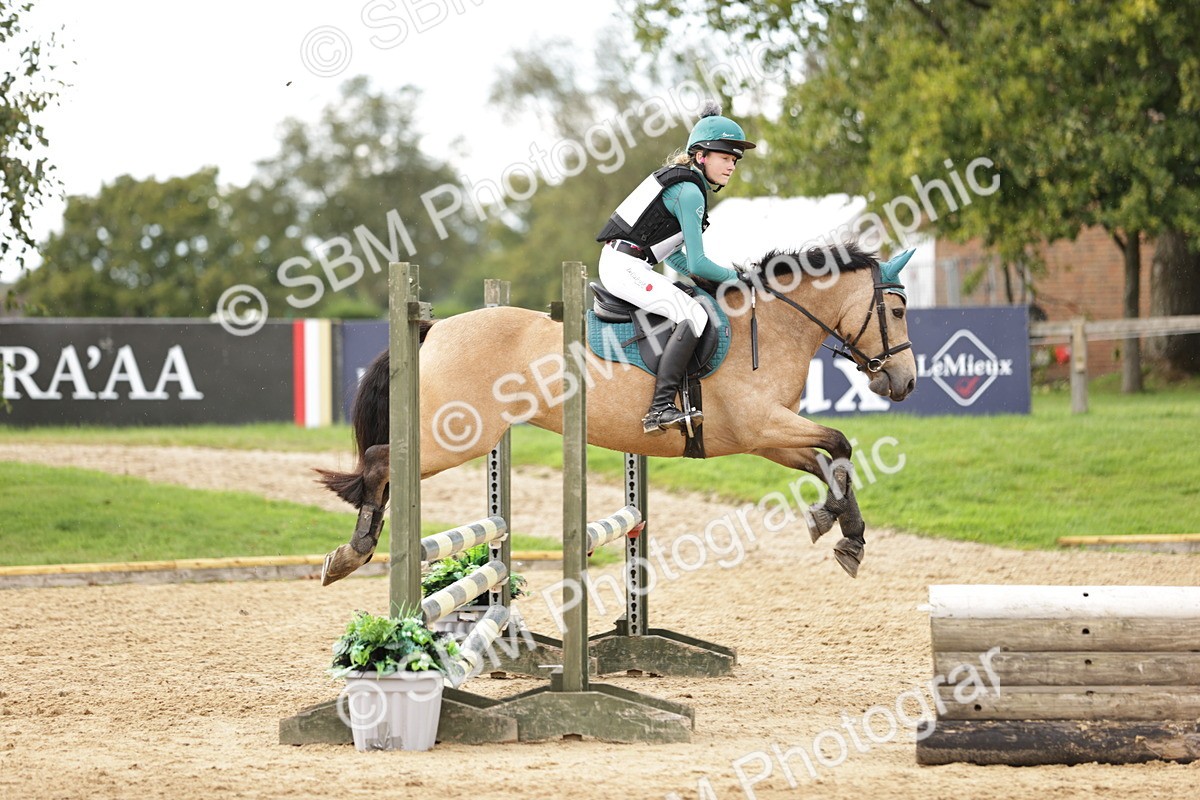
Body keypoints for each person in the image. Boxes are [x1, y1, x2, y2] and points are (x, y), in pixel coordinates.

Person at [596, 102, 755, 435]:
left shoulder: (684, 187)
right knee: (694, 316)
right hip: (625, 266)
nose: (731, 167)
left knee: (691, 304)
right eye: (725, 158)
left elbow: (673, 257)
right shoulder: (689, 193)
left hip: (629, 263)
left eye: (734, 161)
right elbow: (696, 262)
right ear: (701, 157)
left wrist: (709, 279)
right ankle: (660, 408)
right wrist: (735, 278)